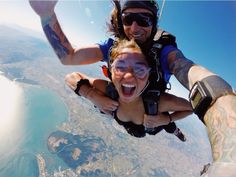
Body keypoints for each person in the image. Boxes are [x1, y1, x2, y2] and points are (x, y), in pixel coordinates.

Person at [29, 0, 236, 176]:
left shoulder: (164, 54)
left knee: (164, 124)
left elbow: (188, 70)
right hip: (130, 112)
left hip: (151, 112)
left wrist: (172, 117)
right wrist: (46, 14)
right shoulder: (112, 53)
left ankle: (176, 131)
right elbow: (69, 59)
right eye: (128, 19)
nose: (134, 28)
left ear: (153, 23)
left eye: (144, 20)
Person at [65, 39, 192, 140]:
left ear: (148, 77)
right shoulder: (108, 91)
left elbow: (191, 108)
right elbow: (71, 77)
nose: (129, 77)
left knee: (170, 127)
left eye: (140, 70)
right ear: (110, 72)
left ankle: (177, 132)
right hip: (138, 127)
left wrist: (166, 119)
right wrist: (91, 95)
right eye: (120, 67)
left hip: (157, 123)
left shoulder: (159, 102)